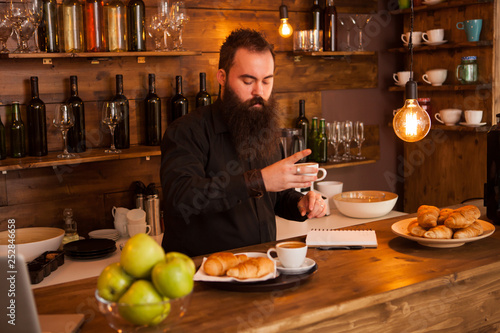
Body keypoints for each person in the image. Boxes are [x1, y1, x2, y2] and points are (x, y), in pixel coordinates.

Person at [160, 28, 327, 257]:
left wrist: (300, 202)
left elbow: (275, 197)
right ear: (221, 77)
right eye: (248, 81)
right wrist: (258, 180)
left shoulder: (265, 129)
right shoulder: (186, 131)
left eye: (267, 81)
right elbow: (181, 198)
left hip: (263, 265)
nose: (259, 91)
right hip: (201, 274)